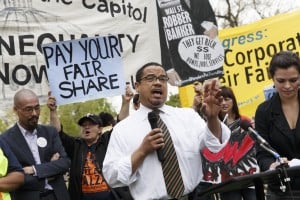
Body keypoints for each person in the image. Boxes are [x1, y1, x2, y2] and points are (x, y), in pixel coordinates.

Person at [102, 62, 231, 199]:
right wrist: (141, 152)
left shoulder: (187, 116)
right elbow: (112, 176)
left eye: (162, 78)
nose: (158, 83)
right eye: (150, 78)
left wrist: (212, 119)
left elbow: (215, 145)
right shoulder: (122, 130)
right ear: (137, 86)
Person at [0, 89, 70, 200]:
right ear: (15, 110)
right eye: (28, 109)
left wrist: (34, 170)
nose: (34, 113)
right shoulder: (5, 140)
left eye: (37, 108)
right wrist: (50, 170)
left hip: (58, 195)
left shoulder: (50, 132)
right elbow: (15, 177)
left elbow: (65, 163)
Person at [255, 51, 300, 199]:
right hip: (280, 191)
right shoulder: (263, 111)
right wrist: (271, 166)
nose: (287, 86)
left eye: (293, 80)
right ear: (272, 78)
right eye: (281, 81)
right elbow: (262, 153)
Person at [157, 0, 218, 86]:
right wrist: (167, 68)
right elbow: (157, 35)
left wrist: (212, 26)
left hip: (205, 53)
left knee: (214, 90)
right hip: (180, 66)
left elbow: (207, 14)